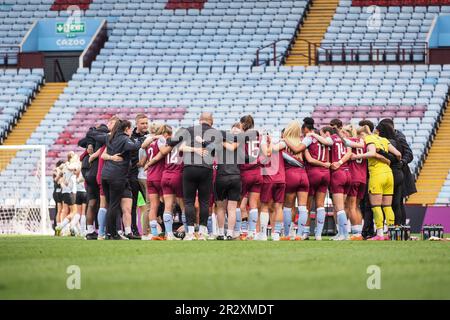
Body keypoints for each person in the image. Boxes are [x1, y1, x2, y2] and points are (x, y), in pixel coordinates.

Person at [351, 125, 401, 240]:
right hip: (389, 174)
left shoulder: (369, 139)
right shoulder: (384, 139)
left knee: (376, 206)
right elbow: (398, 154)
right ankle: (391, 233)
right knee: (388, 206)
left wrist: (357, 156)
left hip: (377, 174)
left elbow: (372, 153)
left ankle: (379, 234)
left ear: (362, 134)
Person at [180, 112, 221, 241]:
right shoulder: (215, 132)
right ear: (211, 121)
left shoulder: (189, 130)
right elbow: (216, 151)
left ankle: (190, 232)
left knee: (188, 201)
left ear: (200, 120)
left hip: (189, 168)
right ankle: (203, 232)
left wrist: (193, 149)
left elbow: (181, 148)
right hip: (205, 168)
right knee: (204, 201)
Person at [100, 120, 143, 240]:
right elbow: (133, 147)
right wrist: (141, 140)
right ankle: (112, 233)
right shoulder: (124, 139)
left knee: (114, 206)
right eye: (131, 128)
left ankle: (115, 232)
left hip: (107, 175)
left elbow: (104, 153)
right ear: (126, 129)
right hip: (117, 176)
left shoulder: (111, 138)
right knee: (114, 205)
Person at [379, 118, 416, 224]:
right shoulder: (384, 138)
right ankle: (396, 227)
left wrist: (402, 162)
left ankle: (399, 227)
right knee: (393, 202)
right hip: (390, 173)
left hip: (399, 172)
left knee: (397, 202)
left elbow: (409, 154)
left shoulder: (399, 137)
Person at [143, 125, 173, 240]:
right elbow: (163, 153)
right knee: (168, 204)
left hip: (150, 176)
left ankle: (155, 234)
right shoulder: (161, 142)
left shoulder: (150, 142)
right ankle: (167, 232)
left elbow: (143, 147)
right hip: (160, 176)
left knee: (153, 206)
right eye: (168, 134)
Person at [214, 123, 242, 240]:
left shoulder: (220, 140)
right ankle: (230, 233)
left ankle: (221, 233)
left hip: (222, 175)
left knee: (220, 207)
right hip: (235, 175)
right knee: (232, 208)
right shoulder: (240, 140)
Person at [339, 125, 366, 240]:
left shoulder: (348, 142)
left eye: (343, 132)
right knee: (356, 206)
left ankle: (355, 233)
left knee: (351, 207)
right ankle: (358, 232)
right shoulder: (361, 141)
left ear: (347, 133)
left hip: (353, 176)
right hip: (363, 178)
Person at [237, 115, 262, 240]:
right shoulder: (258, 136)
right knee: (253, 204)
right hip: (257, 172)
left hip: (245, 172)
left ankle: (237, 231)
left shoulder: (242, 136)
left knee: (236, 204)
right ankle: (253, 233)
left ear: (242, 124)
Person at [376, 122, 404, 225]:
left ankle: (393, 227)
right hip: (398, 173)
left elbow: (394, 158)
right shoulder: (395, 140)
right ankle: (398, 227)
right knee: (396, 203)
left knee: (392, 204)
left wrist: (381, 152)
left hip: (393, 173)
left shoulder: (389, 142)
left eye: (378, 131)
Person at [128, 113, 149, 235]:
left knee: (151, 203)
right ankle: (133, 229)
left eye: (146, 123)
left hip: (147, 175)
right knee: (133, 204)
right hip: (133, 175)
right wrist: (135, 163)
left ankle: (151, 229)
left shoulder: (150, 135)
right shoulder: (131, 137)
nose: (145, 125)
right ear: (136, 124)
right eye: (142, 123)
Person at [52, 160, 64, 229]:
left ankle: (57, 227)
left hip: (56, 192)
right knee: (60, 210)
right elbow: (58, 181)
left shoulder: (56, 171)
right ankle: (58, 227)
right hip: (59, 192)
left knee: (58, 210)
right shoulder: (57, 171)